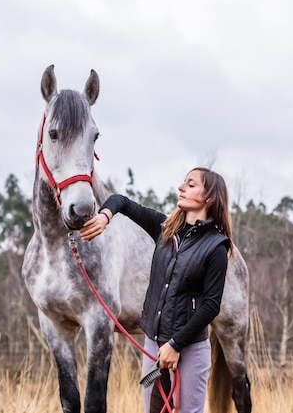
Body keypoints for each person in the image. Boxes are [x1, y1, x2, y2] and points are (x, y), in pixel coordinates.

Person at [79, 167, 233, 413]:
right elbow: (123, 202)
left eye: (191, 184)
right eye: (184, 182)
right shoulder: (164, 229)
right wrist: (105, 216)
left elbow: (211, 306)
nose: (181, 187)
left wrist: (175, 345)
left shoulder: (216, 248)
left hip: (190, 348)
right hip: (152, 343)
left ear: (210, 197)